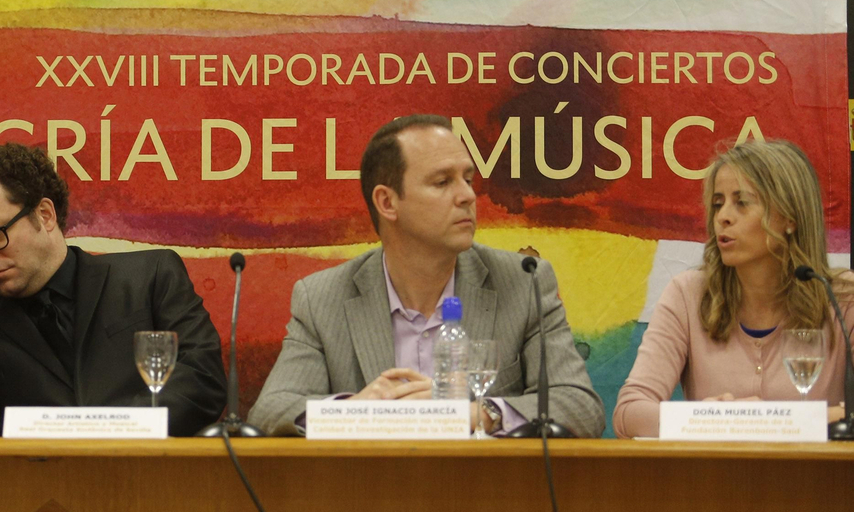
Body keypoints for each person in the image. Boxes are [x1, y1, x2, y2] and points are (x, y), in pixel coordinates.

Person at [249, 114, 604, 437]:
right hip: (369, 499)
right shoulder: (324, 297)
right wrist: (354, 411)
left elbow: (579, 407)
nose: (467, 196)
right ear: (388, 203)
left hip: (491, 498)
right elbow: (270, 411)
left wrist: (476, 415)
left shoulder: (524, 282)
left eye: (467, 179)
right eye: (442, 182)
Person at [0, 143, 226, 436]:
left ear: (45, 215)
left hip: (155, 476)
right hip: (42, 480)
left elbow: (202, 381)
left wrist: (104, 433)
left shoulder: (150, 278)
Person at [614, 139, 851, 438]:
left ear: (790, 217)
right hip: (713, 482)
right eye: (717, 203)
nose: (723, 217)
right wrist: (711, 418)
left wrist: (757, 420)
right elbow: (629, 414)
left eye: (742, 202)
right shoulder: (689, 294)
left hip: (816, 482)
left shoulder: (843, 300)